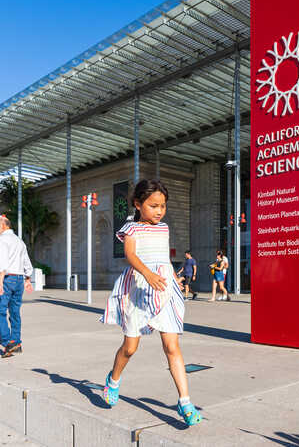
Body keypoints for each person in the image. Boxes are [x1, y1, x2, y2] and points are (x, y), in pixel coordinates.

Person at [100, 179, 202, 426]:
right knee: (130, 348)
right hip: (139, 289)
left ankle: (185, 402)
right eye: (153, 206)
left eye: (163, 206)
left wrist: (174, 279)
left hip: (164, 289)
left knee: (172, 346)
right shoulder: (132, 229)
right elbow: (130, 255)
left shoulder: (164, 228)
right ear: (138, 204)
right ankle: (113, 380)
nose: (159, 211)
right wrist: (147, 274)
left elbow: (163, 259)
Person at [0, 214, 33, 359]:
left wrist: (0, 282)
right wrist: (28, 279)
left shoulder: (2, 240)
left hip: (7, 279)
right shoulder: (19, 241)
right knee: (15, 312)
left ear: (3, 225)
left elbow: (2, 263)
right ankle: (16, 342)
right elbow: (26, 262)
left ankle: (8, 343)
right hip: (19, 280)